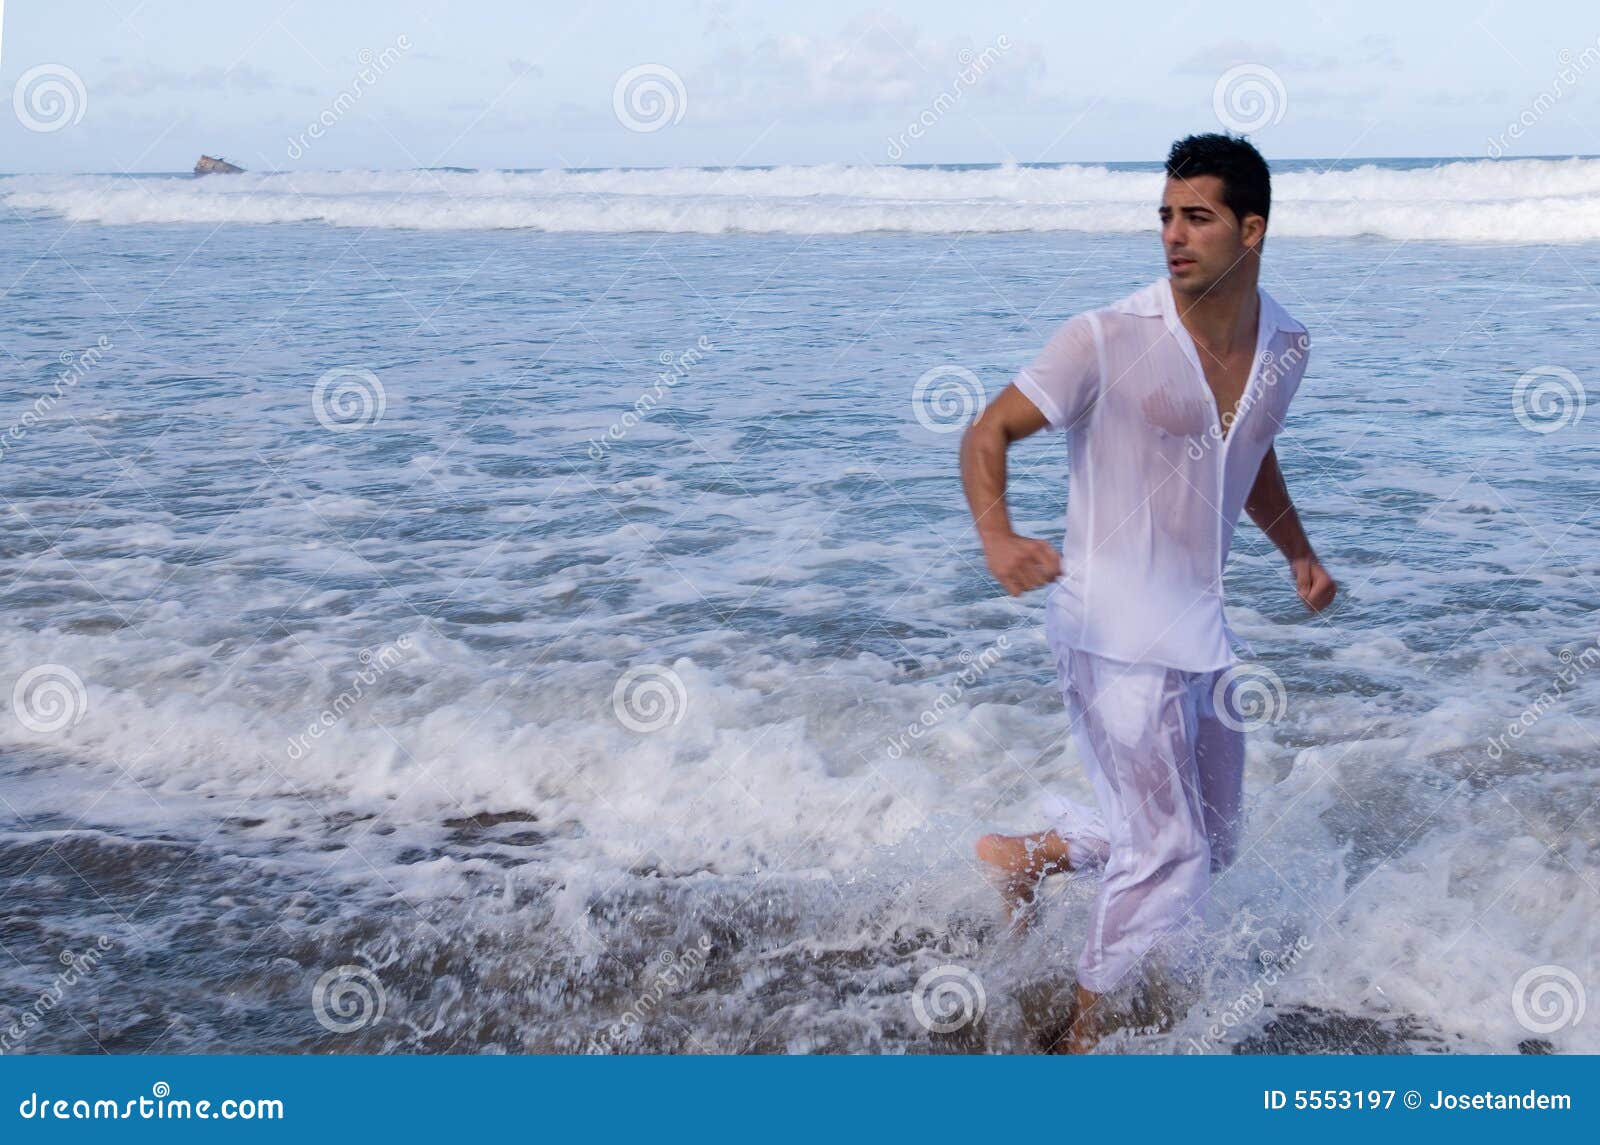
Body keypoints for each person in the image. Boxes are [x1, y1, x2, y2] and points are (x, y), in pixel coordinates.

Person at [957, 132, 1338, 1053]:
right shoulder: (1104, 337)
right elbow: (987, 431)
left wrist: (1297, 551)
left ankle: (1028, 854)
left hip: (1199, 629)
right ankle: (1088, 1041)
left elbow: (1248, 454)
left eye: (1195, 217)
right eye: (1165, 215)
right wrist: (999, 536)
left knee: (1211, 842)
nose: (1172, 233)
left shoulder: (1285, 345)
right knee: (1167, 852)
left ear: (1251, 231)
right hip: (1109, 625)